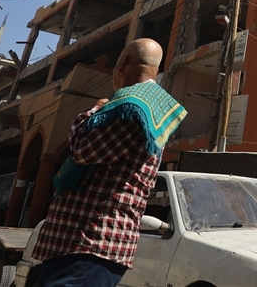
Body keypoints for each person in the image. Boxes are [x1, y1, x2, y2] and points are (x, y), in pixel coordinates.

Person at [31, 38, 186, 287]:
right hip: (83, 244)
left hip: (89, 241)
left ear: (122, 62)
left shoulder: (130, 106)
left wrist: (94, 110)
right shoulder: (144, 102)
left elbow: (83, 149)